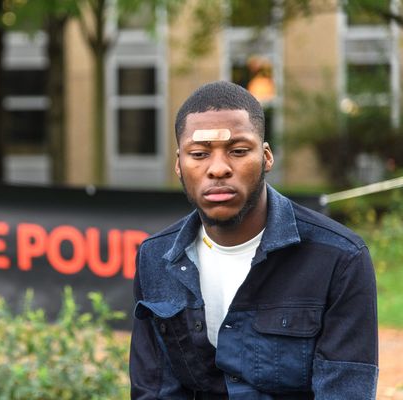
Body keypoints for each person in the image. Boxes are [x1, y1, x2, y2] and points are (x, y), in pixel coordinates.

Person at [129, 81, 378, 399]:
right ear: (179, 164)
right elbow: (155, 390)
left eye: (238, 151)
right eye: (199, 154)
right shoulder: (157, 256)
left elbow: (345, 392)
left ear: (266, 157)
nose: (218, 169)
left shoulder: (340, 259)